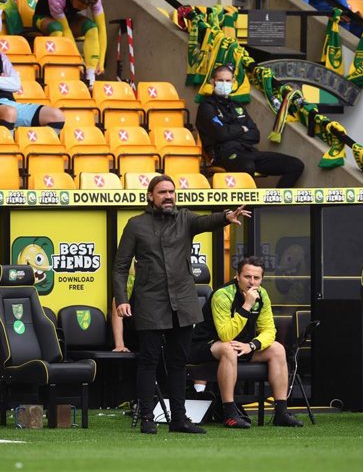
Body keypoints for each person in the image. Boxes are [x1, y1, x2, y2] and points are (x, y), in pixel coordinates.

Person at [113, 174, 250, 434]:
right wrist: (122, 300)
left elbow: (206, 221)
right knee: (149, 360)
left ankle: (179, 419)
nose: (168, 196)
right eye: (163, 192)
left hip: (184, 303)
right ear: (150, 196)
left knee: (178, 362)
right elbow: (120, 267)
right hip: (150, 301)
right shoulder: (135, 225)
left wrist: (226, 217)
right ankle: (146, 418)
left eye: (171, 192)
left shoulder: (185, 218)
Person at [190, 256, 303, 428]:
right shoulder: (222, 295)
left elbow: (269, 330)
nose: (252, 282)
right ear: (237, 276)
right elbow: (225, 334)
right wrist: (247, 306)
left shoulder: (263, 295)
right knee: (228, 348)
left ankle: (281, 412)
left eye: (256, 278)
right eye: (247, 277)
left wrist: (252, 345)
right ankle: (229, 412)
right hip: (207, 346)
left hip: (241, 347)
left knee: (278, 349)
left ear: (261, 279)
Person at [196, 65, 304, 188]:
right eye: (220, 80)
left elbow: (255, 135)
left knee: (295, 165)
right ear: (212, 82)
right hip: (224, 154)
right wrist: (242, 129)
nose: (224, 84)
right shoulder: (207, 107)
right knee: (247, 165)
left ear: (233, 82)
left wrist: (231, 132)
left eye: (227, 81)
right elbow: (220, 134)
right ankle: (248, 207)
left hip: (248, 152)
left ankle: (275, 204)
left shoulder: (237, 106)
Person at [33, 0, 106, 87]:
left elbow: (102, 28)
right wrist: (78, 59)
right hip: (43, 18)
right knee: (57, 29)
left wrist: (101, 60)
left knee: (92, 28)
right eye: (80, 6)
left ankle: (90, 77)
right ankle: (50, 73)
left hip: (68, 18)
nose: (82, 8)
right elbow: (66, 30)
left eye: (85, 7)